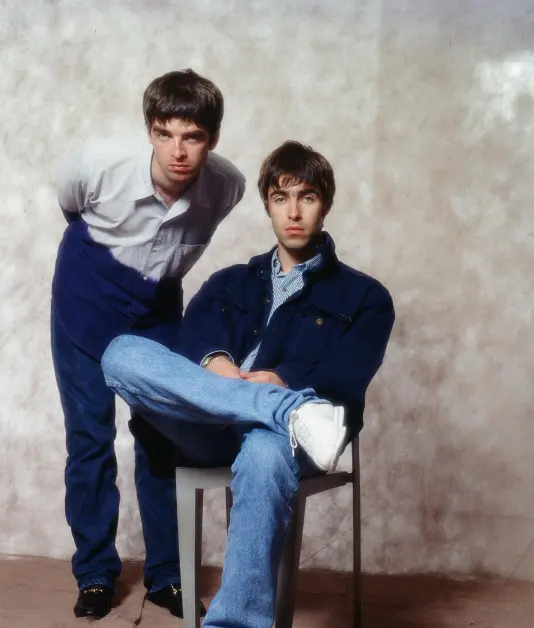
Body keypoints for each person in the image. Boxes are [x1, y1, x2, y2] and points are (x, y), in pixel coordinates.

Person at [101, 140, 395, 628]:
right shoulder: (228, 282)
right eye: (281, 198)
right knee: (121, 353)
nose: (294, 211)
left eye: (307, 197)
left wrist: (284, 379)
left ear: (326, 204)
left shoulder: (365, 297)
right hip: (210, 423)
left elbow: (346, 380)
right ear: (267, 205)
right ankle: (280, 407)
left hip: (293, 440)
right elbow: (183, 351)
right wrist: (216, 361)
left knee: (262, 450)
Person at [51, 69, 246, 619]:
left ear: (213, 137)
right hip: (87, 296)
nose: (178, 151)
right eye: (165, 133)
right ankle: (94, 573)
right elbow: (71, 209)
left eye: (194, 137)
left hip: (157, 307)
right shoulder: (98, 165)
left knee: (163, 439)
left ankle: (168, 576)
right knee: (90, 439)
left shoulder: (226, 186)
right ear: (149, 130)